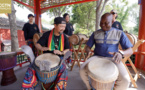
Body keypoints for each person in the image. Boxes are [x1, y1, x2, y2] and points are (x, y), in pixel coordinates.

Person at [80, 13, 133, 90]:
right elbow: (87, 47)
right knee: (82, 70)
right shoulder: (95, 33)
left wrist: (121, 53)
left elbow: (130, 50)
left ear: (112, 22)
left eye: (106, 23)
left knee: (125, 80)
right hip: (97, 57)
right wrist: (88, 51)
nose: (103, 25)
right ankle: (89, 87)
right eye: (101, 23)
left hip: (113, 58)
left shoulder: (119, 33)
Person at [22, 17, 70, 90]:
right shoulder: (47, 34)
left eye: (64, 27)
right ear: (55, 25)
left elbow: (68, 49)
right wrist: (41, 48)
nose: (63, 28)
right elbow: (37, 44)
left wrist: (62, 52)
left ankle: (59, 88)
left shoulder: (64, 36)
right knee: (31, 68)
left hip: (58, 58)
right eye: (61, 26)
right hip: (45, 57)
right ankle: (27, 88)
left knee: (63, 68)